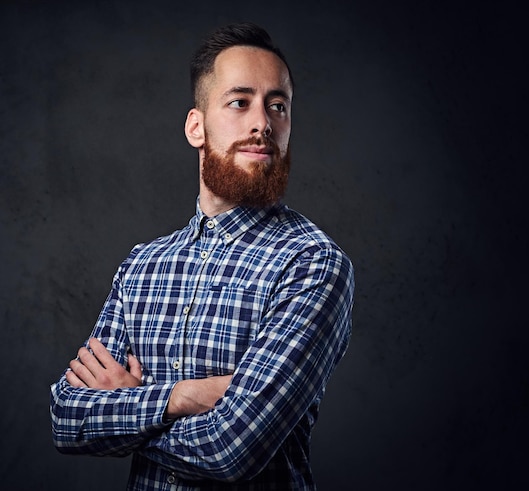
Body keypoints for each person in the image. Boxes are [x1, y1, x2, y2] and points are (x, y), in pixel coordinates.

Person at [50, 22, 354, 490]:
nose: (262, 124)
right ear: (196, 126)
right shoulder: (142, 265)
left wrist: (132, 407)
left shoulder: (312, 264)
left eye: (278, 106)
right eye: (240, 102)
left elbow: (234, 449)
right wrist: (178, 398)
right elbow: (67, 419)